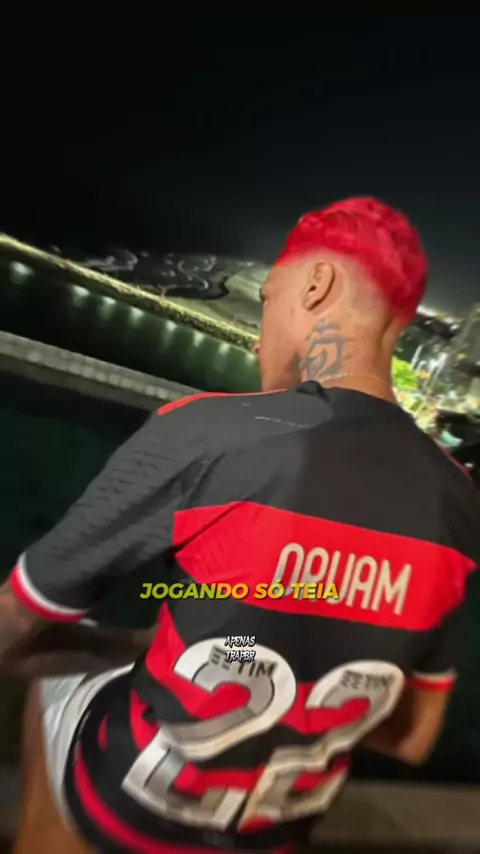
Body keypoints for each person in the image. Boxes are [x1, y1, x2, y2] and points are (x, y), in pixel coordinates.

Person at [3, 197, 480, 854]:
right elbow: (413, 737)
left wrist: (110, 645)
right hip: (275, 831)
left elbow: (18, 619)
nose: (258, 338)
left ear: (316, 285)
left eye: (266, 300)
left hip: (134, 813)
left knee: (49, 685)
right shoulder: (456, 496)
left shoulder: (213, 430)